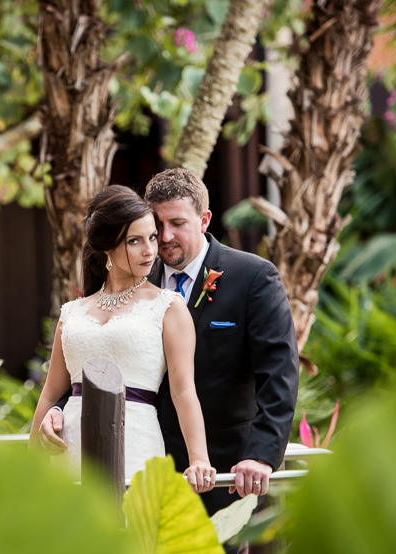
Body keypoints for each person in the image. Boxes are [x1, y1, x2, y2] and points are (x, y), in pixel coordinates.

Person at [38, 169, 299, 517]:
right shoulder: (138, 272)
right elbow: (88, 363)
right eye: (155, 224)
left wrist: (261, 454)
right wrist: (55, 413)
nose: (163, 237)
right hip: (142, 453)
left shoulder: (253, 278)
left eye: (177, 223)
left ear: (204, 220)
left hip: (221, 468)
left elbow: (279, 375)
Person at [28, 185, 217, 493]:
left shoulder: (168, 307)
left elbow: (183, 391)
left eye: (152, 237)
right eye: (135, 241)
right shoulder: (72, 312)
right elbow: (50, 394)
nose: (150, 250)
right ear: (107, 247)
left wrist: (199, 459)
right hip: (68, 452)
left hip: (137, 446)